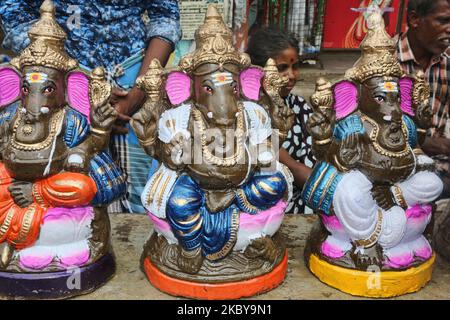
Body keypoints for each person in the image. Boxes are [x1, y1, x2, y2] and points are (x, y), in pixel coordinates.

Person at [0, 0, 182, 214]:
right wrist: (70, 77)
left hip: (136, 78)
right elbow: (14, 12)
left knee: (146, 194)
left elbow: (165, 13)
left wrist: (137, 94)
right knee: (68, 181)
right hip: (61, 83)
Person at [395, 0, 450, 260]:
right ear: (415, 19)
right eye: (443, 21)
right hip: (392, 163)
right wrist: (427, 142)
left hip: (438, 163)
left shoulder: (447, 63)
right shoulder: (386, 62)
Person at [246, 27, 314, 214]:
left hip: (304, 194)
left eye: (295, 66)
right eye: (282, 68)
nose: (291, 75)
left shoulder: (299, 106)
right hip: (263, 205)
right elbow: (293, 168)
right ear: (258, 70)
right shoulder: (247, 112)